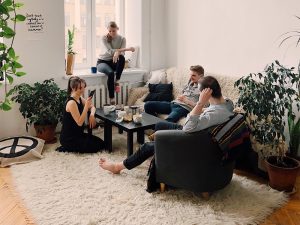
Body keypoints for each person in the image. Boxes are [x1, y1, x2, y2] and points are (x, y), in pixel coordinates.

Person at [99, 76, 234, 173]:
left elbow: (188, 127)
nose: (199, 93)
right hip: (195, 130)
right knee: (160, 125)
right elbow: (210, 111)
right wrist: (201, 106)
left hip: (190, 139)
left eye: (200, 91)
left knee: (147, 146)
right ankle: (158, 154)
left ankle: (118, 167)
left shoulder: (214, 114)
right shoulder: (227, 103)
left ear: (207, 92)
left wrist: (199, 103)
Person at [59, 76, 105, 153]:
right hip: (69, 138)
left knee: (101, 143)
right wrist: (86, 106)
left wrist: (91, 115)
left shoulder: (79, 98)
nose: (83, 90)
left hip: (79, 134)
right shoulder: (71, 103)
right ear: (73, 88)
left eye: (84, 87)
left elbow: (92, 107)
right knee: (97, 147)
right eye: (81, 88)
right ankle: (67, 147)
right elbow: (79, 123)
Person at [97, 21, 135, 105]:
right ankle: (112, 98)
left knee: (121, 57)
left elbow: (122, 54)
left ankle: (117, 80)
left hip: (113, 61)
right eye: (110, 31)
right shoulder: (104, 38)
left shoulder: (122, 39)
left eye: (113, 31)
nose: (111, 33)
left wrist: (118, 52)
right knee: (110, 73)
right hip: (102, 62)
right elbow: (110, 51)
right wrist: (126, 49)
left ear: (117, 29)